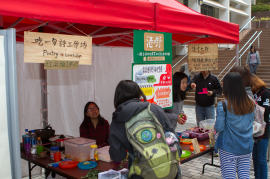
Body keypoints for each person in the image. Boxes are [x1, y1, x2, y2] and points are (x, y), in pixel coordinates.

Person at [109, 80, 181, 179]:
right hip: (168, 170)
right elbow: (173, 137)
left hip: (141, 174)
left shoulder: (118, 119)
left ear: (117, 97)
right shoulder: (155, 108)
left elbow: (118, 156)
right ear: (138, 93)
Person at [215, 72, 255, 179]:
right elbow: (251, 122)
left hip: (229, 148)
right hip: (246, 147)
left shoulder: (223, 105)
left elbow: (219, 127)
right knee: (244, 176)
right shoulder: (251, 103)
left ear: (227, 87)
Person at [251, 75, 270, 179]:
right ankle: (257, 176)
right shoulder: (254, 94)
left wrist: (254, 106)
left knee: (261, 158)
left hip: (263, 129)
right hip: (254, 129)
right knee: (255, 157)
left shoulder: (265, 92)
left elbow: (267, 110)